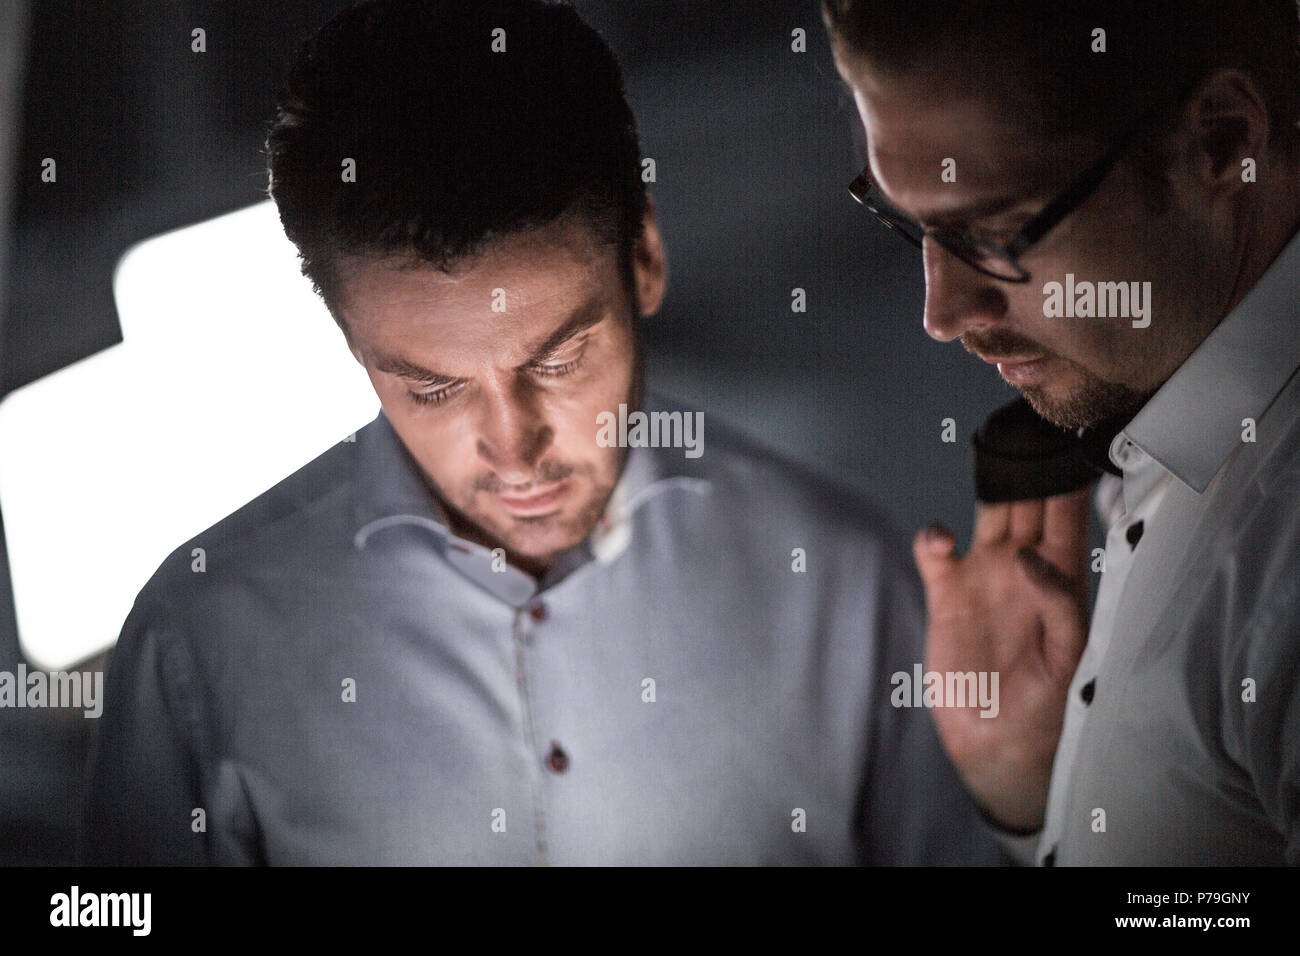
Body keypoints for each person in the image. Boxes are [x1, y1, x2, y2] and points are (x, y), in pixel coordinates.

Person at [81, 0, 999, 865]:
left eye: (557, 361)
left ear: (644, 259)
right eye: (433, 389)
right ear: (351, 343)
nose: (512, 447)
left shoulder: (848, 582)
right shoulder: (198, 649)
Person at [822, 0, 1300, 864]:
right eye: (911, 226)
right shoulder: (1165, 379)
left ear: (1223, 142)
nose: (942, 313)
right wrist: (1036, 795)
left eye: (997, 234)